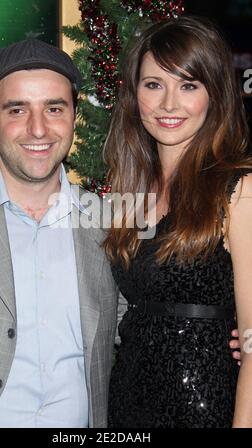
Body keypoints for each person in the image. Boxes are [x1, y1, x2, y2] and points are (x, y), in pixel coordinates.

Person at [0, 39, 118, 428]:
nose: (38, 128)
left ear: (74, 116)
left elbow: (138, 321)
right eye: (17, 109)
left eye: (54, 108)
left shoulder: (107, 222)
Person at [104, 16, 252, 428]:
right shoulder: (129, 191)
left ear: (214, 95)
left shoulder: (239, 190)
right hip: (128, 403)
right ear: (134, 95)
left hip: (206, 408)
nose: (169, 104)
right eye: (154, 85)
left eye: (188, 85)